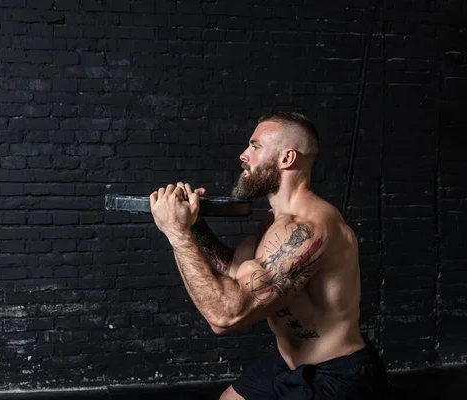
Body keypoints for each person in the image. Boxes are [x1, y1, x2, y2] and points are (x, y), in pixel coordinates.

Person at [149, 111, 389, 399]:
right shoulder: (275, 221)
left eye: (255, 146)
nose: (244, 155)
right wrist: (194, 225)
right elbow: (236, 276)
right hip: (286, 359)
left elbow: (224, 315)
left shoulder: (307, 229)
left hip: (335, 376)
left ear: (287, 158)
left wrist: (177, 234)